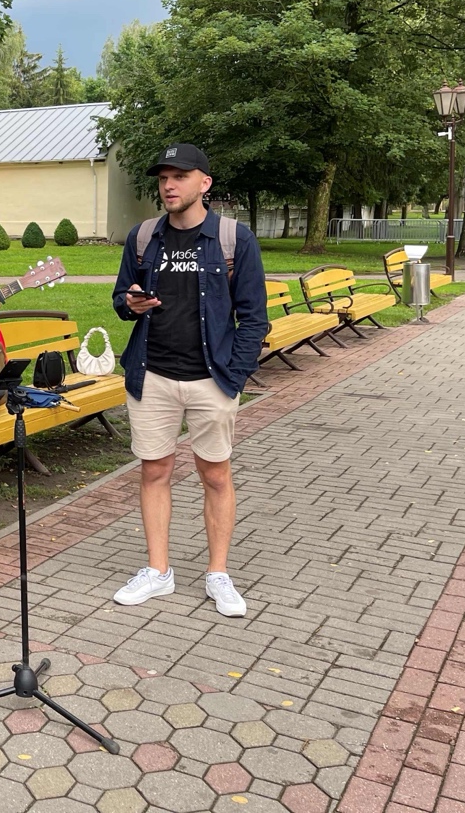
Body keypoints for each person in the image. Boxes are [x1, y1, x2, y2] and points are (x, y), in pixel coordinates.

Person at [109, 143, 268, 618]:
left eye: (180, 176)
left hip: (211, 380)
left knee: (214, 474)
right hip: (152, 375)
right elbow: (121, 298)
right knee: (153, 471)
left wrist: (233, 378)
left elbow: (254, 319)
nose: (169, 185)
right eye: (163, 178)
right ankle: (159, 572)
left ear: (205, 183)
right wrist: (129, 303)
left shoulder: (233, 239)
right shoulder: (143, 238)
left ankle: (217, 574)